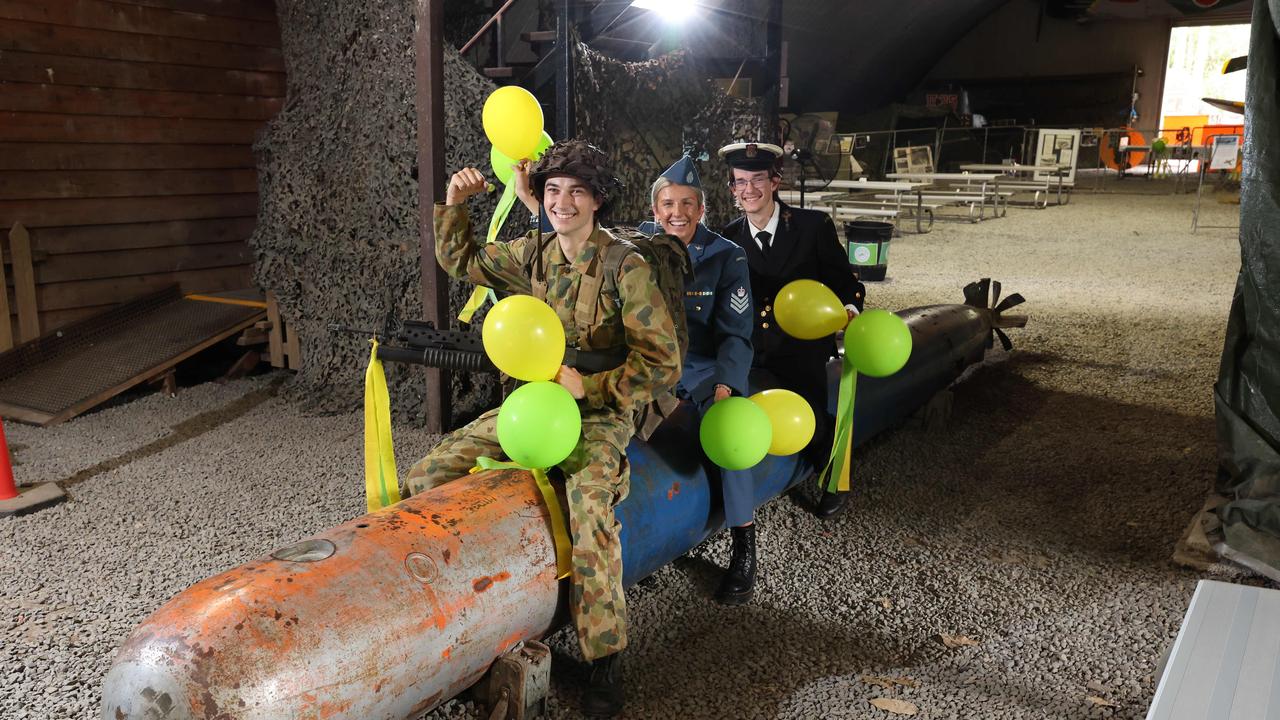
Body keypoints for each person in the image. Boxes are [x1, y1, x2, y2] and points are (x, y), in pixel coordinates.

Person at [404, 140, 681, 718]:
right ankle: (453, 609)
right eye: (553, 191)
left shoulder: (625, 266)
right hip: (538, 403)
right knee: (429, 471)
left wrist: (594, 389)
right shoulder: (535, 251)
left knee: (590, 512)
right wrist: (454, 202)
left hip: (602, 410)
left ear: (597, 200)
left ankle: (605, 656)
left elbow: (662, 363)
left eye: (576, 191)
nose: (563, 202)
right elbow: (463, 262)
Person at [717, 141, 866, 519]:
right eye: (739, 182)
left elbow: (846, 282)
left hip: (801, 347)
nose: (748, 190)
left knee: (809, 419)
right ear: (732, 188)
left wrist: (847, 309)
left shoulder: (811, 226)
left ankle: (834, 469)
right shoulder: (727, 237)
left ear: (775, 181)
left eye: (756, 180)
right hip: (752, 347)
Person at [635, 155, 759, 604]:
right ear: (655, 210)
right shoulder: (635, 245)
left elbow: (735, 333)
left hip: (703, 368)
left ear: (702, 210)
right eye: (668, 203)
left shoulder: (727, 257)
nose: (677, 213)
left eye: (688, 203)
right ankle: (639, 538)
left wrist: (728, 384)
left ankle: (744, 543)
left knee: (731, 434)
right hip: (649, 365)